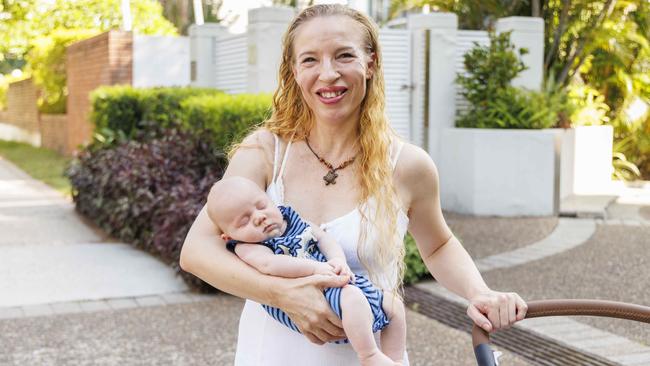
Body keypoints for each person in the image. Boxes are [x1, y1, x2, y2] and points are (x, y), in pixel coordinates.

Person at [180, 4, 527, 365]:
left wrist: (480, 292)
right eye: (310, 60)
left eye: (344, 55)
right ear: (294, 71)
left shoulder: (408, 166)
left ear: (370, 62)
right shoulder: (265, 152)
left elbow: (438, 246)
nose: (327, 74)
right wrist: (284, 294)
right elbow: (196, 252)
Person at [206, 176, 406, 365]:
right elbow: (271, 264)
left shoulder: (292, 221)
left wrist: (337, 259)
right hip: (313, 295)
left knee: (394, 305)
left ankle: (394, 360)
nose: (259, 217)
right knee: (352, 297)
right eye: (244, 221)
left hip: (335, 281)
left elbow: (323, 238)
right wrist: (317, 268)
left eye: (261, 206)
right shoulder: (248, 247)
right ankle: (369, 355)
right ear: (228, 236)